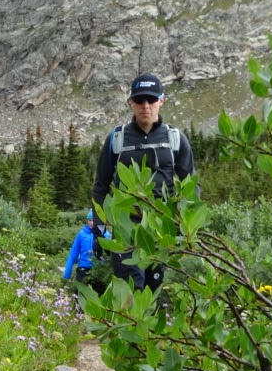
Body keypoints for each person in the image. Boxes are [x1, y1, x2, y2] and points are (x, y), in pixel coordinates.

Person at [90, 73, 194, 290]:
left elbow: (191, 186)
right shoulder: (116, 139)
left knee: (152, 289)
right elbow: (100, 186)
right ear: (131, 103)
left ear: (161, 101)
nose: (145, 106)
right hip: (125, 228)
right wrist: (99, 231)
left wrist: (187, 229)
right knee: (131, 287)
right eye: (139, 100)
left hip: (160, 230)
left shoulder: (175, 139)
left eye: (151, 99)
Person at [62, 210, 104, 286]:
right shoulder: (82, 234)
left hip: (100, 271)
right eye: (90, 220)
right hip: (83, 269)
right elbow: (73, 253)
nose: (92, 223)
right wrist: (67, 274)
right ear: (87, 221)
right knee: (81, 296)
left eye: (94, 220)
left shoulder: (105, 234)